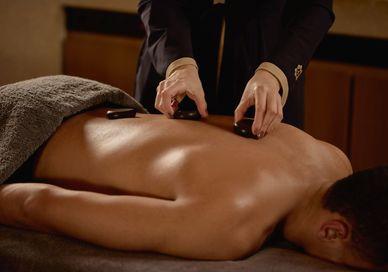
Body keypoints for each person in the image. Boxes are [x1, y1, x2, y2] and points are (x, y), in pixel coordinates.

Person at [0, 108, 387, 271]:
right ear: (334, 230)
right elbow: (36, 204)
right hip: (23, 133)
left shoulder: (334, 159)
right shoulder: (230, 225)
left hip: (90, 103)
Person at [135, 0, 335, 136]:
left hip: (269, 69)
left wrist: (274, 73)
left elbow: (315, 8)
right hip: (171, 59)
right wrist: (179, 65)